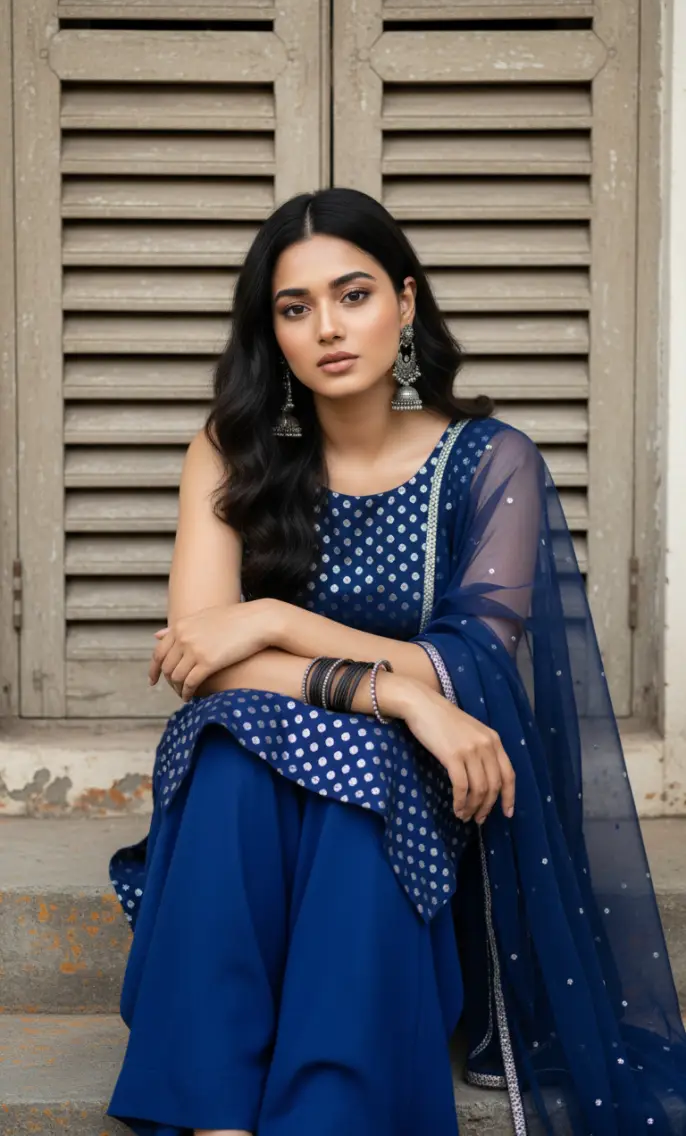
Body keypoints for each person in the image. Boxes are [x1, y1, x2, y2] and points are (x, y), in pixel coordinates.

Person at [106, 187, 686, 1136]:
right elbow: (201, 660)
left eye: (354, 295)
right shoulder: (229, 452)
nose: (328, 328)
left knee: (359, 769)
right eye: (295, 308)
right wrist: (395, 694)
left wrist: (272, 622)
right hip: (266, 770)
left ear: (405, 303)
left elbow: (470, 662)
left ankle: (326, 1106)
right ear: (272, 334)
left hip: (415, 788)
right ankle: (216, 1118)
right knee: (231, 746)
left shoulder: (490, 462)